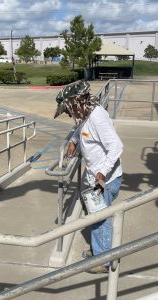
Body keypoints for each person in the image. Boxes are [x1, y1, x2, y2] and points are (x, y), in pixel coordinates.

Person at [54, 80, 123, 273]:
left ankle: (104, 261)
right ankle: (99, 252)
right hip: (96, 177)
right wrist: (74, 140)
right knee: (96, 215)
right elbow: (81, 126)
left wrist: (102, 173)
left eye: (68, 109)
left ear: (76, 103)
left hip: (104, 181)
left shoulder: (97, 117)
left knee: (100, 219)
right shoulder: (88, 111)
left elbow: (116, 146)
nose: (69, 114)